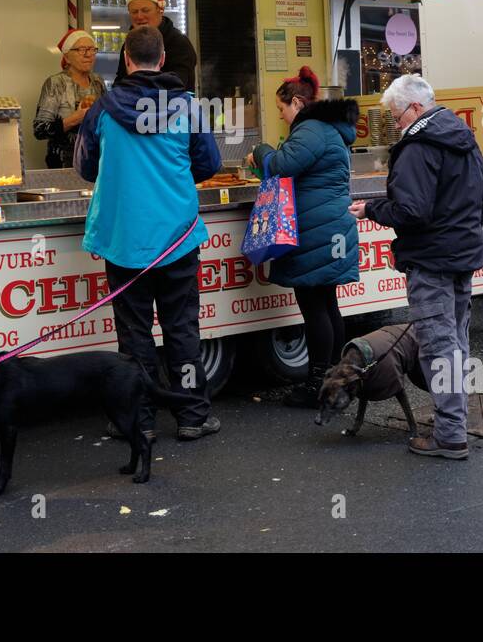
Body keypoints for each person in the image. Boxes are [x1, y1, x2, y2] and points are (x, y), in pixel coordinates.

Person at [75, 24, 222, 440]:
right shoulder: (189, 107)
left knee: (134, 336)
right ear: (161, 59)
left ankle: (138, 420)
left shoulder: (102, 110)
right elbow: (208, 164)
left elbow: (85, 168)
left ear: (126, 59)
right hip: (177, 238)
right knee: (182, 330)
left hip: (123, 242)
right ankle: (193, 415)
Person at [350, 74, 483, 460]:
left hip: (431, 259)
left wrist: (371, 209)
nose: (395, 125)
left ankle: (449, 434)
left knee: (437, 346)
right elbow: (480, 198)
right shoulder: (461, 135)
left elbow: (411, 210)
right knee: (456, 341)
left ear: (413, 108)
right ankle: (453, 424)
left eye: (395, 116)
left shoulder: (417, 146)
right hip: (463, 254)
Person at [245, 66, 359, 408]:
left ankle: (317, 386)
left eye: (282, 110)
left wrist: (261, 152)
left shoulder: (310, 128)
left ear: (297, 102)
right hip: (329, 225)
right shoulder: (327, 129)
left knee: (315, 308)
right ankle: (337, 380)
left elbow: (283, 164)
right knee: (327, 305)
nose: (282, 117)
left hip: (317, 228)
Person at [33, 29, 106, 168]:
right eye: (81, 50)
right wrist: (76, 118)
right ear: (66, 57)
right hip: (63, 163)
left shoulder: (98, 82)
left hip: (95, 161)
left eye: (92, 49)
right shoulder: (56, 83)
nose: (89, 55)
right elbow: (40, 130)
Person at [113, 0, 198, 93]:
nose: (139, 16)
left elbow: (177, 85)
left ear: (160, 10)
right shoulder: (129, 44)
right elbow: (120, 82)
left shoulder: (179, 43)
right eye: (134, 12)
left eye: (145, 10)